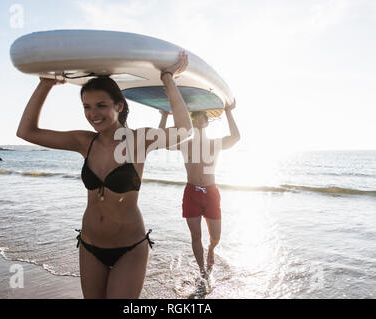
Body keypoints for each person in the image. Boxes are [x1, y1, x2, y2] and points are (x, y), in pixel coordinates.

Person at [16, 51, 192, 298]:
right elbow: (26, 131)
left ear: (119, 106)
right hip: (89, 246)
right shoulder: (83, 141)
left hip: (130, 249)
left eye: (101, 105)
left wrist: (167, 78)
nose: (93, 114)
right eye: (86, 107)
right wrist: (45, 84)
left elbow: (184, 130)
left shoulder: (139, 140)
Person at [158, 100, 240, 279]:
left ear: (207, 121)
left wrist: (228, 112)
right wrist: (164, 116)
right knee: (196, 235)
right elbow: (162, 140)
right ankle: (202, 271)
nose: (197, 121)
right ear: (191, 121)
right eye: (194, 117)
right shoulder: (185, 143)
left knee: (216, 236)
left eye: (201, 118)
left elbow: (235, 137)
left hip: (211, 193)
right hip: (191, 193)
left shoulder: (215, 143)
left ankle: (211, 249)